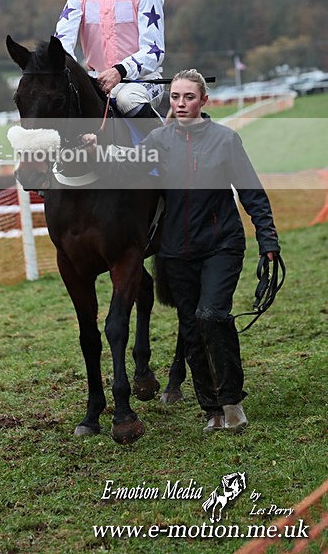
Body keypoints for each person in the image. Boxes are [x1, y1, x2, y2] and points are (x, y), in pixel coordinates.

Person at [82, 69, 281, 433]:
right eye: (175, 97)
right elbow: (129, 165)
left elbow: (251, 192)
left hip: (221, 244)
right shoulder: (159, 140)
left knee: (211, 316)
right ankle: (212, 410)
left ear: (203, 101)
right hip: (176, 251)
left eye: (189, 97)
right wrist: (98, 150)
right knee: (190, 327)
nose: (181, 104)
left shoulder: (225, 140)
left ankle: (232, 401)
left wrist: (267, 239)